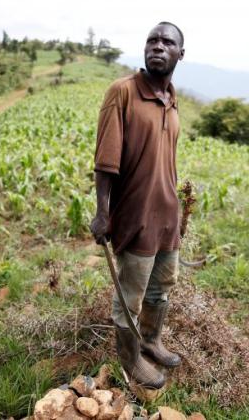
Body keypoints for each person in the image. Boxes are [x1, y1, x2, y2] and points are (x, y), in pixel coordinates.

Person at [90, 22, 185, 389]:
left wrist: (179, 210)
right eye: (152, 40)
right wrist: (102, 212)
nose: (158, 46)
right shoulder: (123, 92)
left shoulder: (172, 98)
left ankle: (151, 340)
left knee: (161, 288)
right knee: (129, 297)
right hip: (136, 216)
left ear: (180, 53)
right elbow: (106, 161)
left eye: (167, 42)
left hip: (167, 217)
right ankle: (130, 362)